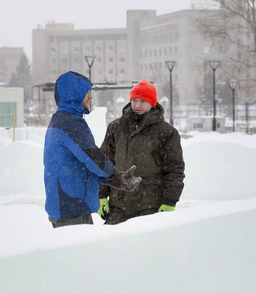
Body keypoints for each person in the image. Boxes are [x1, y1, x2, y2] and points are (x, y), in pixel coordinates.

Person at [44, 71, 141, 228]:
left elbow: (81, 166)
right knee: (79, 252)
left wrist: (110, 179)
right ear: (74, 95)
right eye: (86, 92)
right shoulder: (70, 123)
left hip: (66, 204)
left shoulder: (61, 119)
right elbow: (92, 157)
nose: (90, 96)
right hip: (71, 208)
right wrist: (117, 177)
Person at [98, 80, 185, 224]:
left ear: (152, 103)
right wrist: (100, 195)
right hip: (118, 206)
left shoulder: (166, 132)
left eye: (143, 101)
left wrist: (170, 201)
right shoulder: (116, 128)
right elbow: (104, 163)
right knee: (111, 245)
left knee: (146, 246)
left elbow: (174, 170)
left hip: (150, 207)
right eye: (134, 100)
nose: (137, 105)